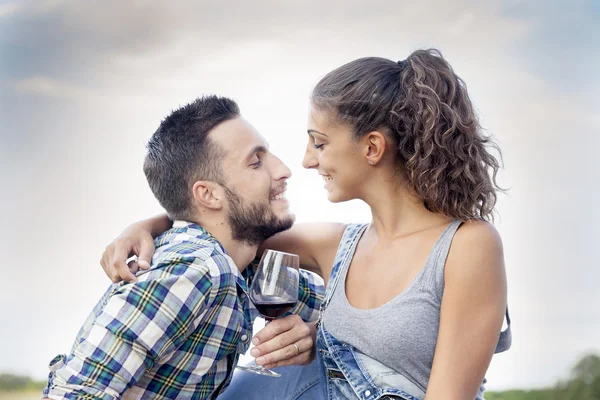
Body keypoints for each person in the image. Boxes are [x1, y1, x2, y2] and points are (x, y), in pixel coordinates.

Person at [102, 49, 511, 400]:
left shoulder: (467, 245)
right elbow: (228, 225)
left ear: (372, 147)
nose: (306, 160)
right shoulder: (335, 245)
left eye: (319, 142)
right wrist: (148, 225)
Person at [42, 95, 323, 400]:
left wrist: (315, 334)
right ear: (209, 195)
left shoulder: (245, 267)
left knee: (329, 361)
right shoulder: (197, 267)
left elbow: (344, 314)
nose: (284, 170)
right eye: (256, 162)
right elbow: (76, 393)